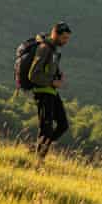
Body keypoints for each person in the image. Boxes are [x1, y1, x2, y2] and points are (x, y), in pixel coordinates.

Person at [28, 21, 72, 164]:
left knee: (63, 125)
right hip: (42, 92)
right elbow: (33, 75)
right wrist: (52, 82)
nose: (66, 41)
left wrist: (58, 75)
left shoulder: (53, 50)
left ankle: (38, 148)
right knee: (46, 128)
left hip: (51, 92)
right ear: (55, 34)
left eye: (67, 38)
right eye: (64, 38)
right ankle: (38, 161)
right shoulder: (44, 48)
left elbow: (49, 70)